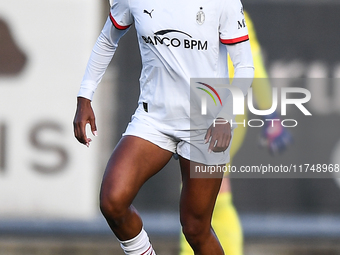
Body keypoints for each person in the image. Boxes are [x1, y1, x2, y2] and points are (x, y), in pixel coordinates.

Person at [73, 0, 254, 254]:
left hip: (206, 123)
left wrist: (225, 116)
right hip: (154, 119)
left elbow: (245, 66)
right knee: (112, 201)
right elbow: (107, 39)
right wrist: (85, 96)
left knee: (195, 229)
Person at [179, 10, 292, 255]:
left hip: (222, 108)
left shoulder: (230, 11)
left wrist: (271, 115)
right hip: (200, 104)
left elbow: (254, 66)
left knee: (201, 194)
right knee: (206, 192)